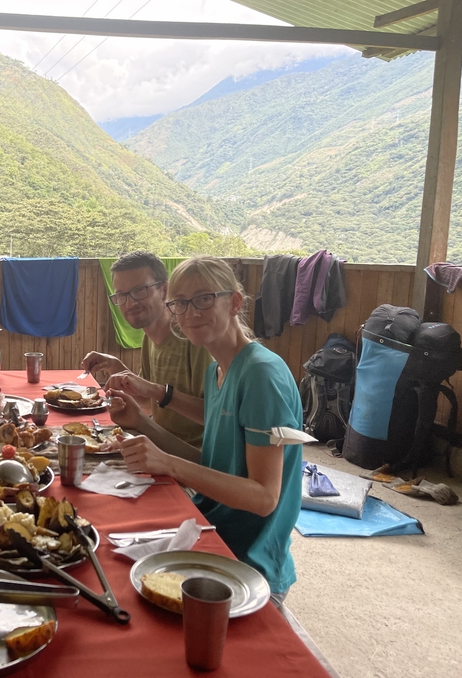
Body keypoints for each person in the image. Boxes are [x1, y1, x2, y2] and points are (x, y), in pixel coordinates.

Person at [112, 256, 302, 598]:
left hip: (247, 563)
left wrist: (169, 464)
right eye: (181, 304)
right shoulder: (216, 371)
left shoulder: (262, 374)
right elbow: (212, 465)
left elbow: (263, 498)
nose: (190, 313)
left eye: (204, 299)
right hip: (210, 529)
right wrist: (140, 423)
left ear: (235, 302)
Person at [81, 251, 211, 448]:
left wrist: (155, 391)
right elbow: (147, 401)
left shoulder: (194, 339)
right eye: (122, 295)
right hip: (158, 444)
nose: (131, 303)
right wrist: (117, 367)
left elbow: (212, 415)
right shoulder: (149, 338)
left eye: (140, 290)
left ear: (164, 290)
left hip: (192, 459)